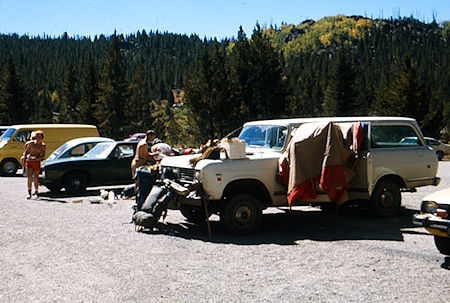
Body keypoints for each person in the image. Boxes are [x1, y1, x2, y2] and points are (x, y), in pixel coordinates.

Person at [22, 130, 46, 199]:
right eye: (37, 136)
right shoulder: (31, 144)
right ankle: (29, 192)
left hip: (37, 162)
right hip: (29, 161)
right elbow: (26, 153)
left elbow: (43, 155)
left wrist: (37, 158)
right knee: (29, 177)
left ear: (42, 137)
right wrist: (27, 157)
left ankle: (36, 192)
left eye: (40, 137)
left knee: (36, 177)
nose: (38, 138)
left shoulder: (43, 145)